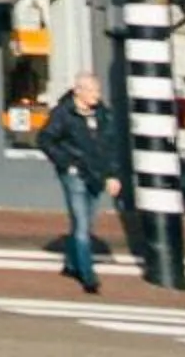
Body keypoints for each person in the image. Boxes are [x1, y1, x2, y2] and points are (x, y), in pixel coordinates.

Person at [38, 72, 123, 293]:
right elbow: (45, 138)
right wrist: (66, 163)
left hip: (96, 175)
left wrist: (112, 175)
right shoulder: (64, 113)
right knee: (82, 224)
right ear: (79, 91)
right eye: (92, 90)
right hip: (75, 174)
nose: (97, 95)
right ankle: (88, 275)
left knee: (86, 221)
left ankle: (70, 263)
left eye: (97, 90)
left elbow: (111, 146)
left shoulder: (103, 114)